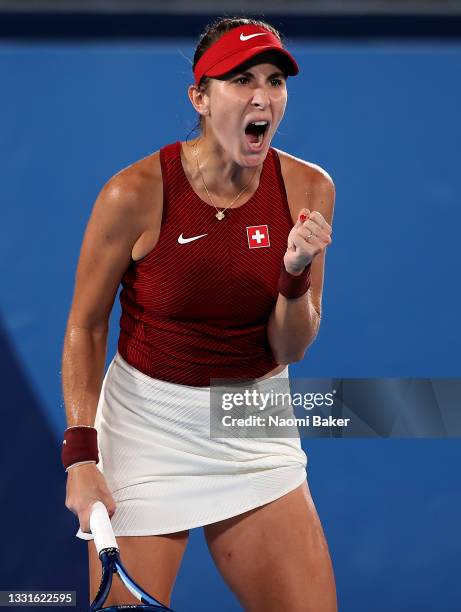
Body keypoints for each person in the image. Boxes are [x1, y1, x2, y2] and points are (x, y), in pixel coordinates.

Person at [62, 15, 337, 612]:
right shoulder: (132, 194)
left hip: (252, 413)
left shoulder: (309, 189)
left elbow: (291, 348)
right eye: (241, 80)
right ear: (201, 97)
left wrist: (293, 276)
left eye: (274, 80)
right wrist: (81, 456)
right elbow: (85, 327)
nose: (262, 95)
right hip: (146, 422)